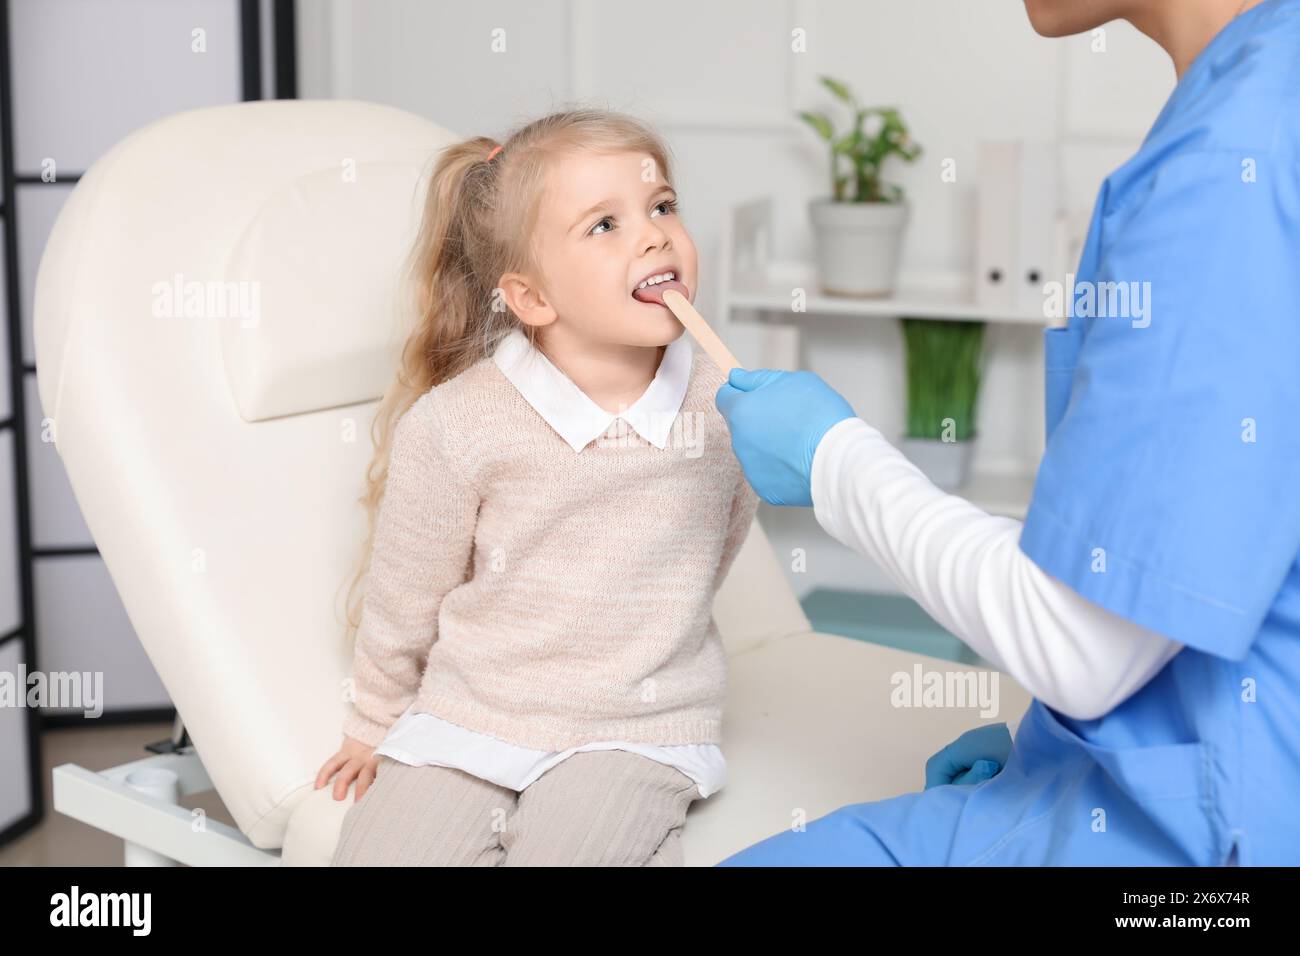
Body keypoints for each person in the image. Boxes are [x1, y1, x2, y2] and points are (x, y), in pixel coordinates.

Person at [714, 0, 1300, 865]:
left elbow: (1078, 646)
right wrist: (1051, 753)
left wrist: (834, 459)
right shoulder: (1257, 105)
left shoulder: (1228, 168)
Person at [318, 109, 757, 865]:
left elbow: (716, 544)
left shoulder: (727, 407)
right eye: (605, 225)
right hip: (475, 711)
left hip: (639, 726)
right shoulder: (458, 424)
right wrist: (375, 717)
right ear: (531, 300)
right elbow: (407, 588)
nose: (654, 236)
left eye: (662, 206)